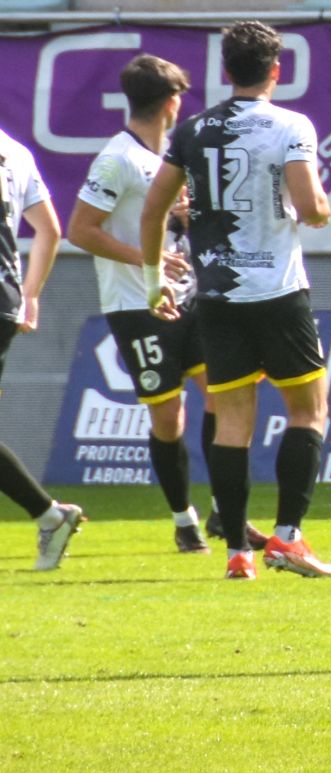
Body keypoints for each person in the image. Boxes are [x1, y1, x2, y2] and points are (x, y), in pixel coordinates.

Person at [141, 21, 331, 581]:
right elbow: (311, 203)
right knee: (309, 410)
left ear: (225, 71)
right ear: (276, 70)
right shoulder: (291, 125)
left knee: (232, 424)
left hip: (218, 296)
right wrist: (316, 210)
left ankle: (237, 553)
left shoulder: (195, 130)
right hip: (277, 292)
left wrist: (156, 280)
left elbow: (155, 210)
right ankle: (290, 536)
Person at [69, 54, 214, 553]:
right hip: (136, 305)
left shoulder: (167, 156)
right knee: (168, 417)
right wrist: (145, 259)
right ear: (172, 102)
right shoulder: (117, 158)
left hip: (186, 297)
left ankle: (225, 512)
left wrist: (183, 218)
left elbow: (161, 221)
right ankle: (184, 519)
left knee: (221, 395)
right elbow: (81, 230)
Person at [0, 125, 82, 570]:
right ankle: (51, 515)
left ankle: (50, 515)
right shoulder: (15, 151)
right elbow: (49, 229)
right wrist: (29, 294)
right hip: (6, 300)